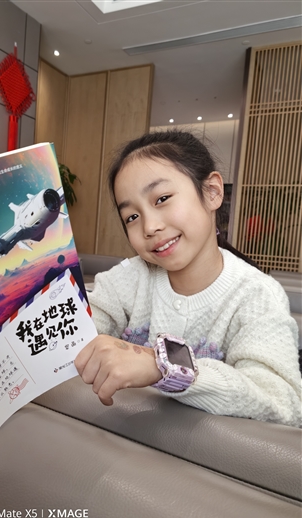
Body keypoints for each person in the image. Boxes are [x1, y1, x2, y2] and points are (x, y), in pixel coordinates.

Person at [74, 130, 301, 427]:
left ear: (212, 192)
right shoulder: (129, 279)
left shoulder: (257, 296)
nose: (150, 227)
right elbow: (76, 335)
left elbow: (282, 402)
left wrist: (161, 366)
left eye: (162, 199)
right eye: (132, 217)